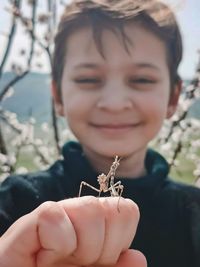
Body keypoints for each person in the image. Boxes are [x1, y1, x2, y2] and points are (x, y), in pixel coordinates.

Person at [0, 0, 200, 266]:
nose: (114, 103)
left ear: (174, 98)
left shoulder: (193, 212)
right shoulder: (15, 199)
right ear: (58, 95)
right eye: (88, 79)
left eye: (142, 80)